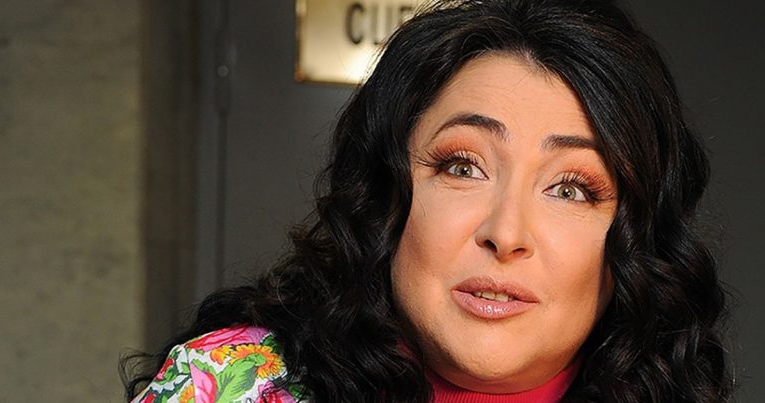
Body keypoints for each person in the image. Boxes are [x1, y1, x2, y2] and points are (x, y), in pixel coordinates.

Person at [122, 0, 732, 401]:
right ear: (386, 196)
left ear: (634, 239)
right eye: (462, 167)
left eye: (570, 188)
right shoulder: (230, 385)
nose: (506, 233)